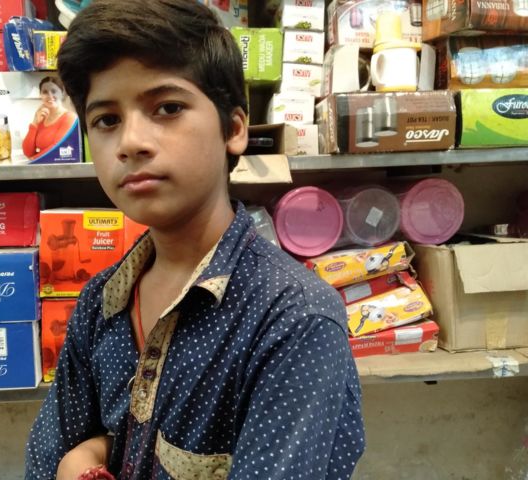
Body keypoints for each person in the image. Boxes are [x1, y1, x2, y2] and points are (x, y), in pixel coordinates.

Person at [25, 1, 365, 479]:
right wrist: (80, 458)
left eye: (167, 108)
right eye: (107, 120)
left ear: (234, 129)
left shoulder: (292, 319)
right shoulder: (101, 303)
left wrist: (81, 459)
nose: (131, 142)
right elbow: (45, 460)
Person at [22, 76, 78, 160]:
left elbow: (57, 148)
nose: (50, 96)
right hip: (41, 165)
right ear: (40, 95)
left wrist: (33, 160)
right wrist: (35, 123)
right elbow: (28, 152)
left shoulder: (70, 117)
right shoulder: (41, 117)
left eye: (54, 91)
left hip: (60, 167)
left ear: (62, 94)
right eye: (45, 92)